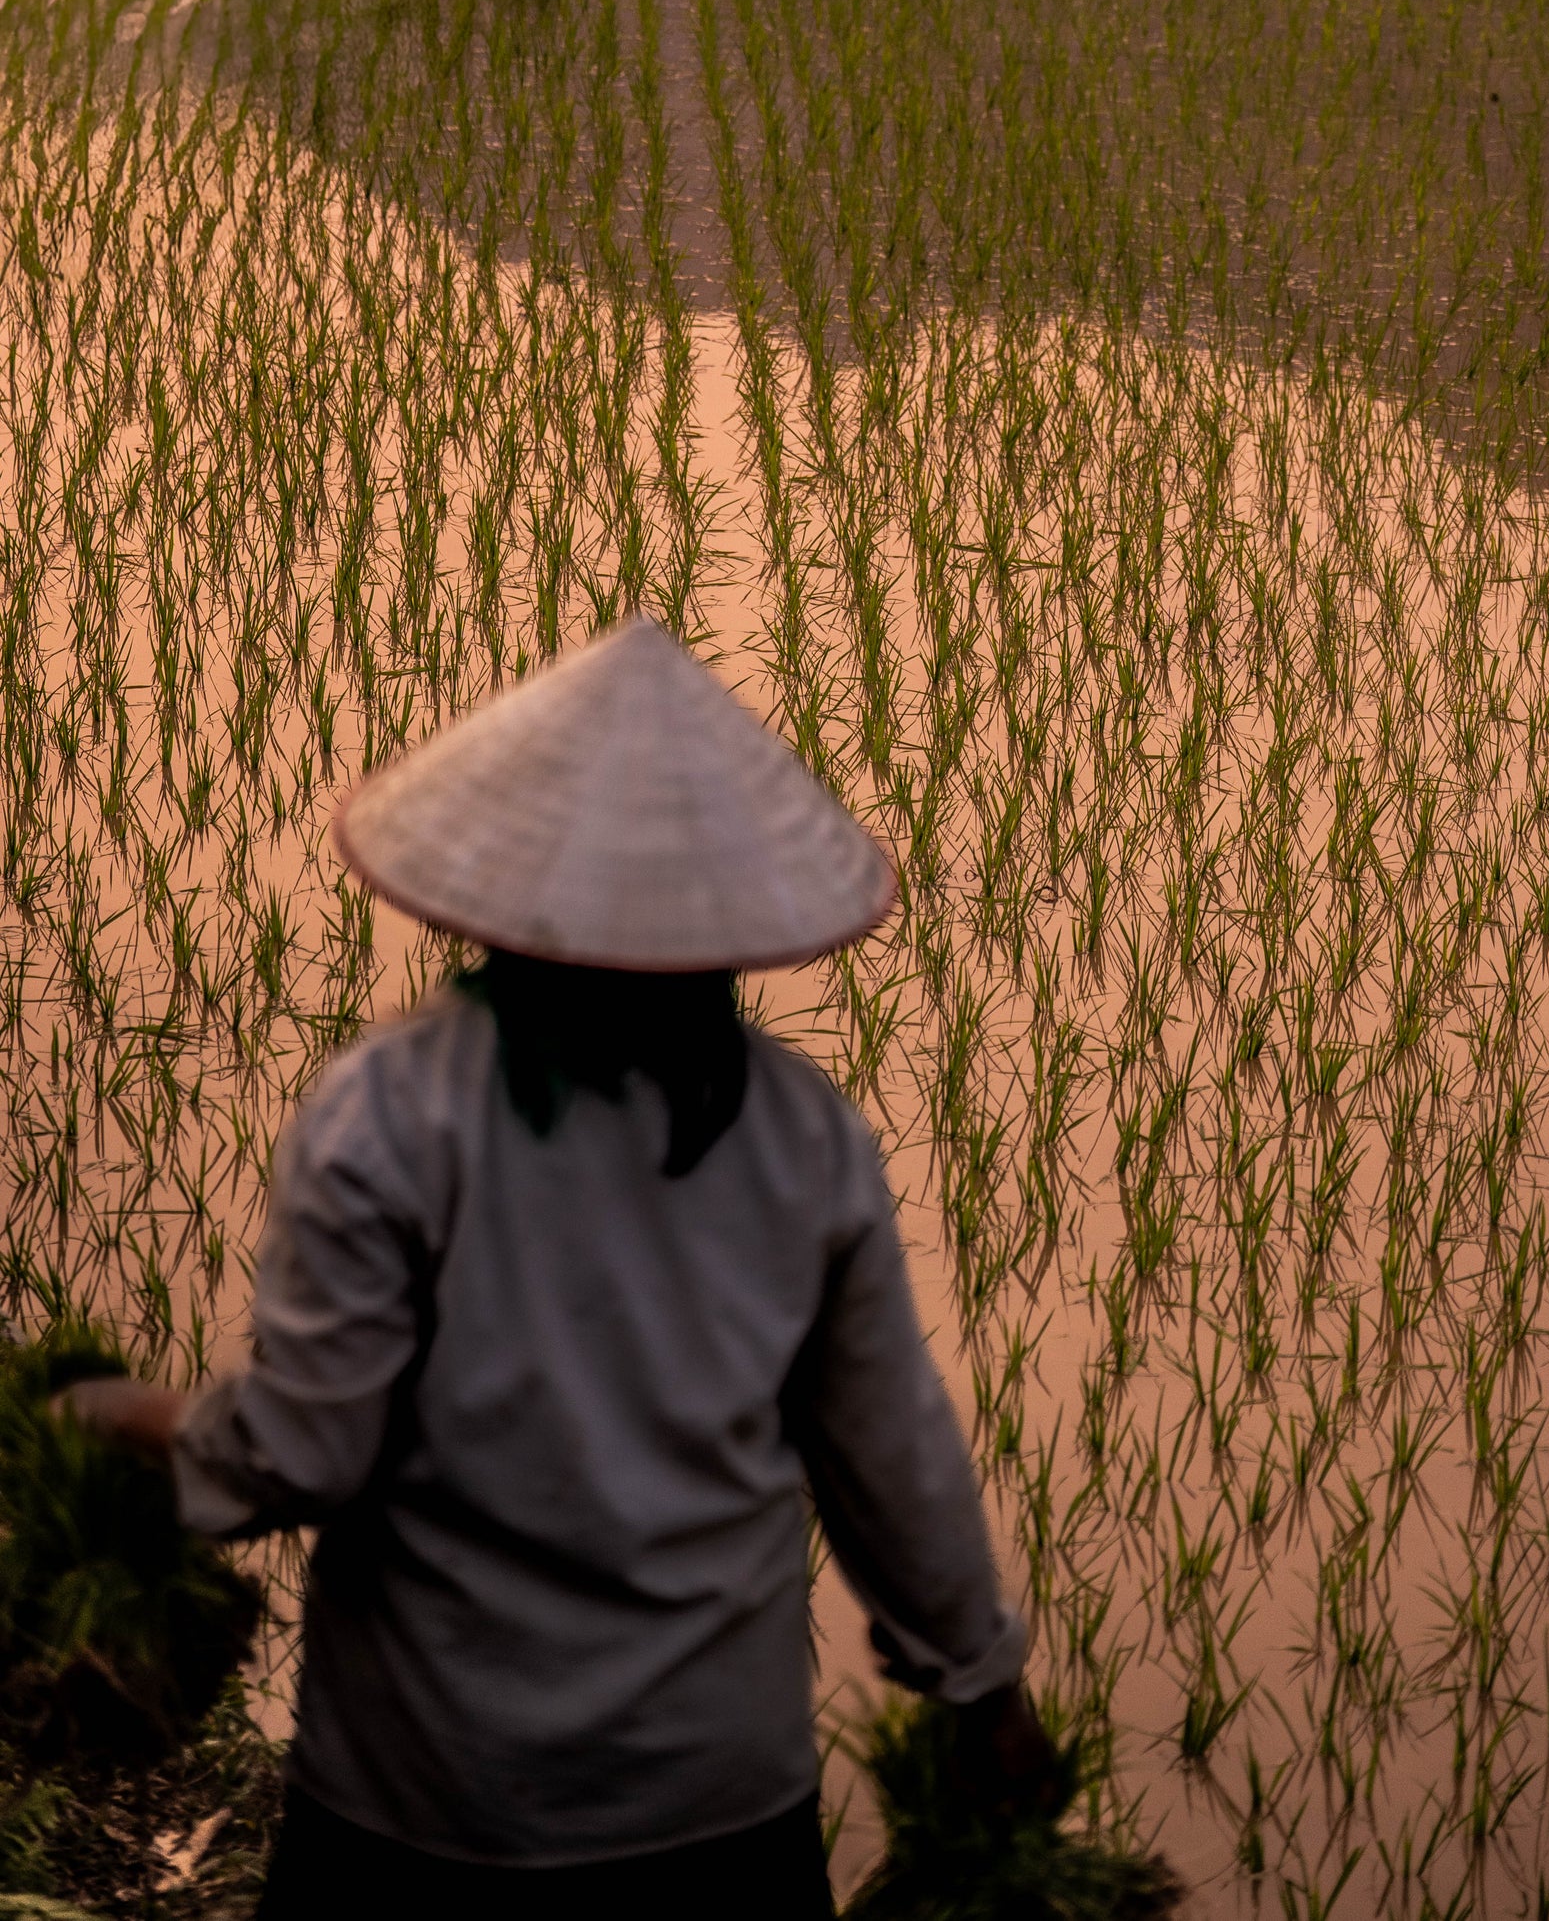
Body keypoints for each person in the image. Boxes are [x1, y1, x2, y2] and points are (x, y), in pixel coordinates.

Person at [66, 619, 1053, 1917]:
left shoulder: (388, 1114)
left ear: (498, 892)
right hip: (713, 1808)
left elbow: (305, 1456)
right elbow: (886, 1449)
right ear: (725, 920)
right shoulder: (803, 1138)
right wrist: (981, 1687)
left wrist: (123, 1417)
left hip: (422, 1799)